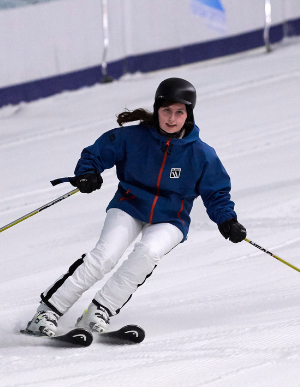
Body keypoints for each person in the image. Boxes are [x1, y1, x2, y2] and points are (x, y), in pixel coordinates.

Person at [24, 77, 247, 336]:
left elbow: (217, 193)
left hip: (170, 218)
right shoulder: (133, 138)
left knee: (147, 253)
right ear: (157, 109)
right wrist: (88, 173)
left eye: (179, 112)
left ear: (189, 115)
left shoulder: (201, 154)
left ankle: (99, 310)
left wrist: (227, 220)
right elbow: (96, 153)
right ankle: (46, 312)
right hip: (129, 205)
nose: (172, 118)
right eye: (166, 111)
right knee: (104, 257)